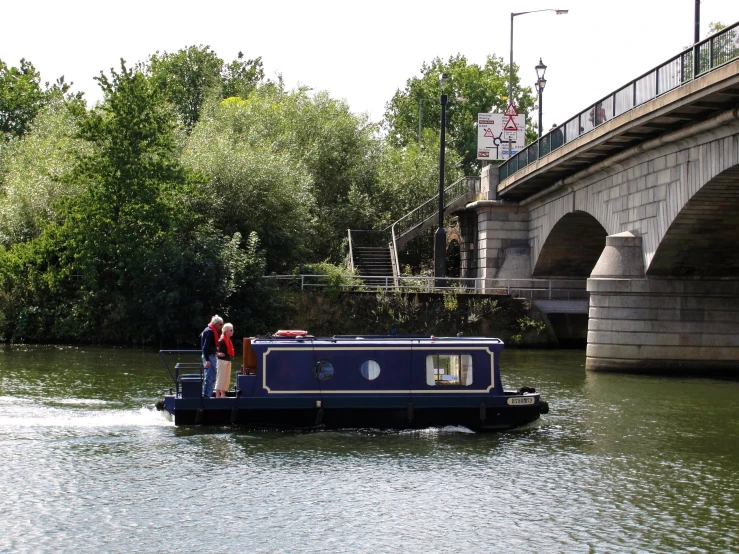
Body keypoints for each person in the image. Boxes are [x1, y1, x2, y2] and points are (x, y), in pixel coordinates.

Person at [200, 315, 223, 398]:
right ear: (216, 324)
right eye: (220, 324)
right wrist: (207, 360)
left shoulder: (208, 330)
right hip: (209, 356)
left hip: (209, 355)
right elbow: (205, 347)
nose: (222, 326)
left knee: (209, 377)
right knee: (210, 377)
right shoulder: (210, 331)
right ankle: (206, 397)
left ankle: (206, 395)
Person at [214, 323, 235, 398]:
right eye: (231, 330)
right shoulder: (222, 340)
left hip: (228, 360)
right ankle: (217, 395)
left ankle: (223, 394)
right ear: (226, 332)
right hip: (222, 361)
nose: (232, 331)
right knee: (220, 377)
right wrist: (218, 353)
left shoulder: (228, 340)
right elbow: (215, 349)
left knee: (226, 378)